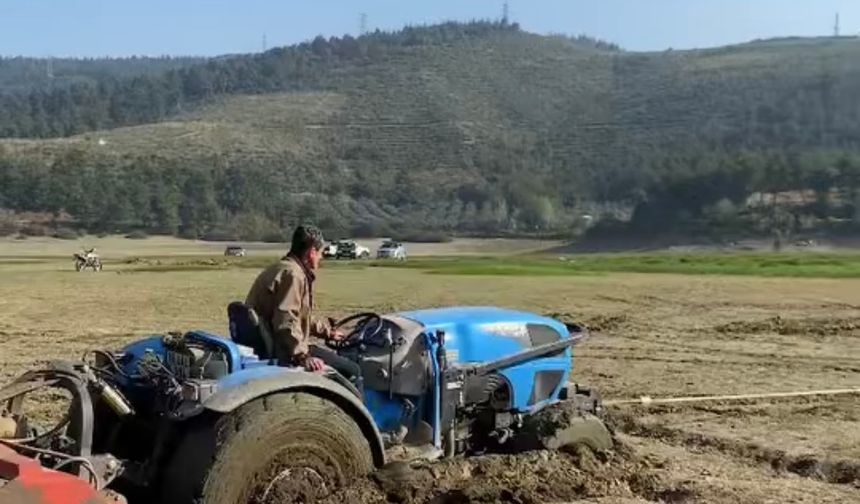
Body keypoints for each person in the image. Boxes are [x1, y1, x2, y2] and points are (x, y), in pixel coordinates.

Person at [244, 225, 362, 385]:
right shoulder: (294, 275)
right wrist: (302, 356)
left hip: (276, 341)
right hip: (284, 349)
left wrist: (328, 332)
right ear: (311, 252)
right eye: (320, 253)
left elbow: (300, 315)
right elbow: (286, 320)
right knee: (353, 370)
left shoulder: (281, 267)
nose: (320, 258)